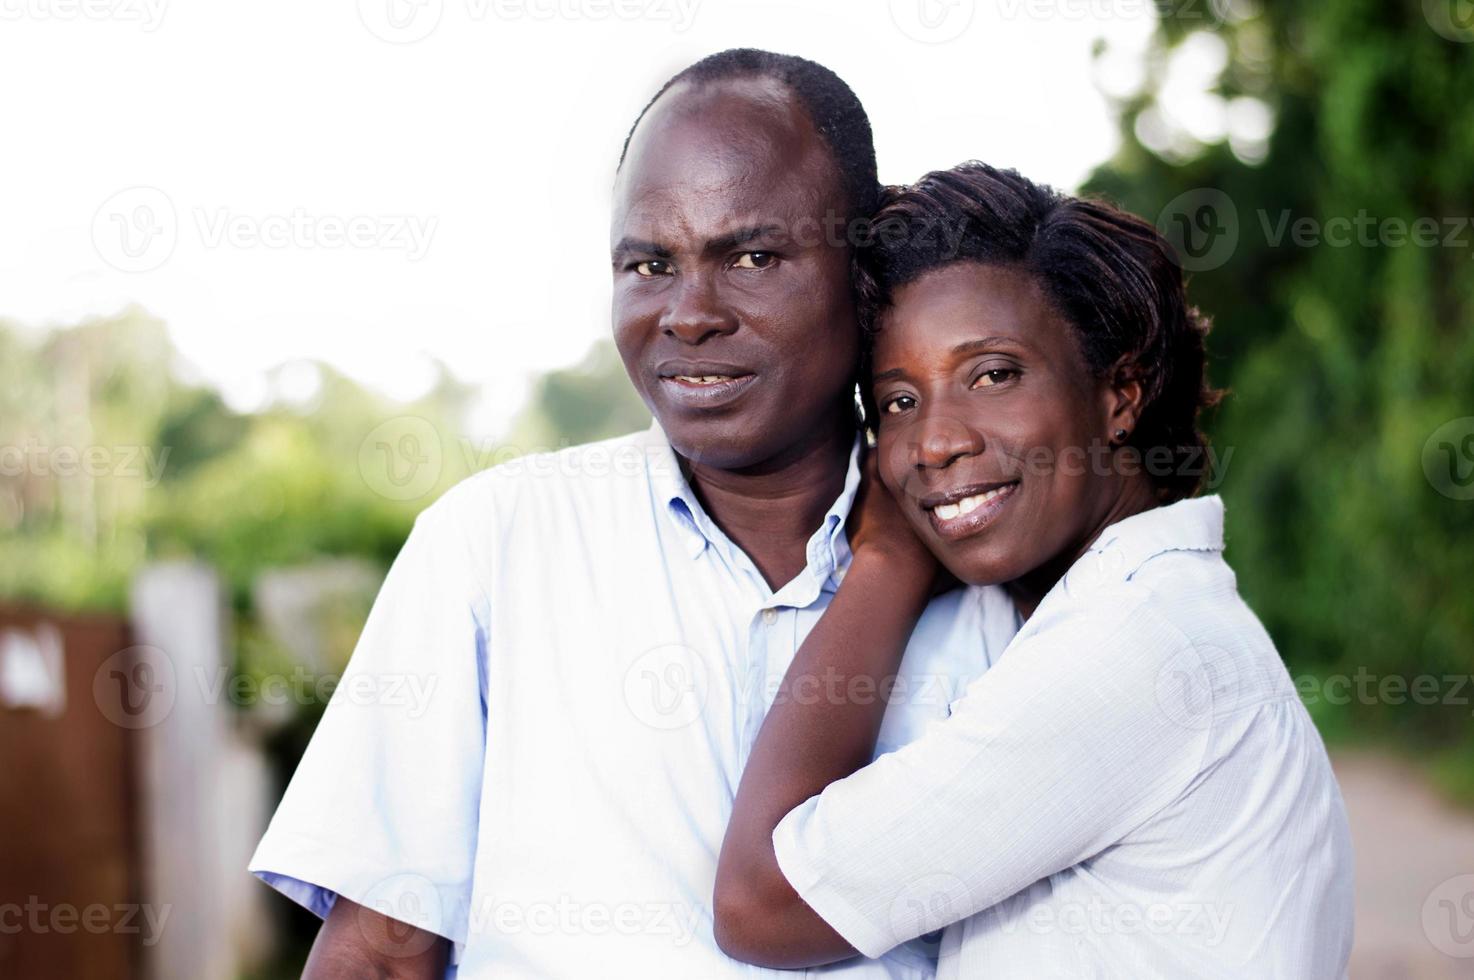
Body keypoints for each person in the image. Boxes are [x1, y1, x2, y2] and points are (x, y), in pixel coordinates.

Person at [248, 51, 1009, 979]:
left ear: (864, 269)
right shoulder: (494, 547)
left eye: (754, 256)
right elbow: (377, 953)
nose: (689, 314)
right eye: (650, 263)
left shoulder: (995, 568)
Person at [713, 162, 1355, 977]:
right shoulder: (1127, 615)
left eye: (992, 375)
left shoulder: (1133, 650)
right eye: (899, 403)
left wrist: (885, 560)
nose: (935, 441)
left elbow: (763, 904)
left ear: (1120, 394)